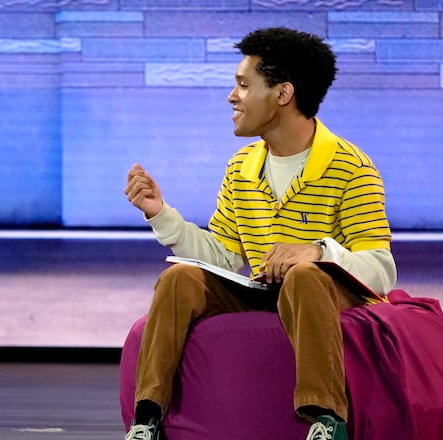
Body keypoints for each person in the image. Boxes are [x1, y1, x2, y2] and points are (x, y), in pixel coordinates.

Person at [123, 27, 395, 440]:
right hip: (259, 290)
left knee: (304, 277)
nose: (232, 97)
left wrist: (319, 252)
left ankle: (326, 421)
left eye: (243, 85)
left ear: (283, 94)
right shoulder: (241, 166)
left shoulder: (352, 167)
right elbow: (227, 257)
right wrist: (161, 214)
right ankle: (147, 420)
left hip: (322, 294)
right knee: (179, 279)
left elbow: (381, 270)